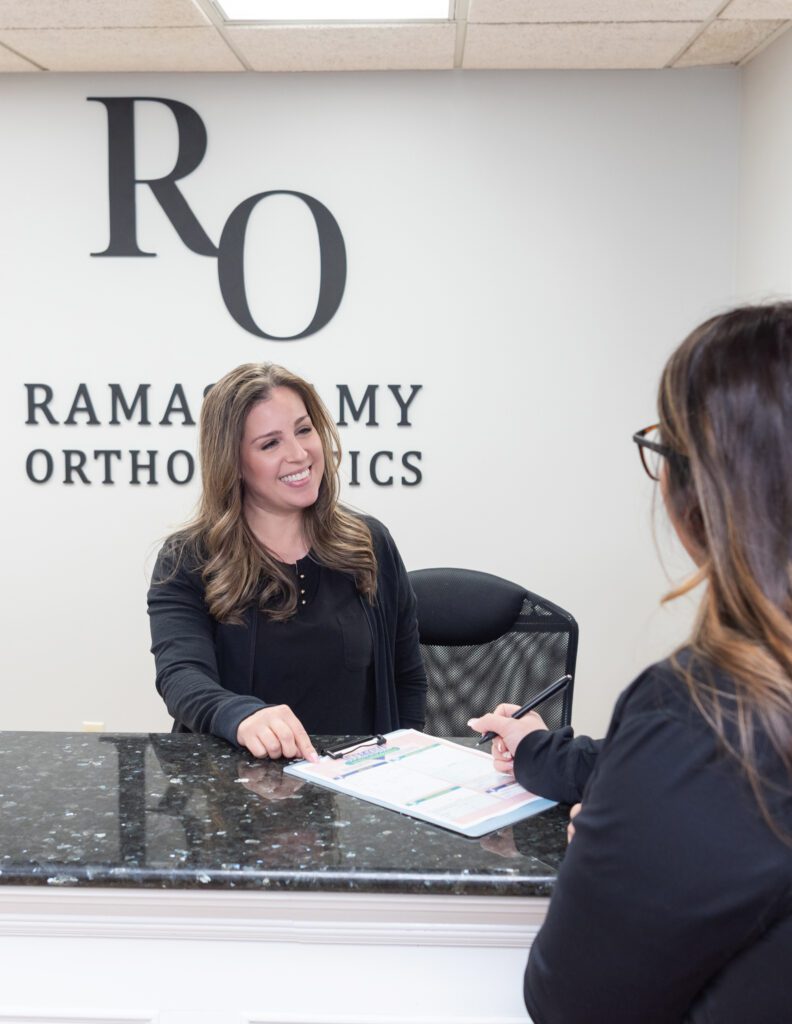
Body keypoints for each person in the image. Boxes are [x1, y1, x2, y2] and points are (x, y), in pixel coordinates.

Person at [469, 303, 792, 1023]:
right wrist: (541, 752)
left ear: (696, 492)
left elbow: (569, 1001)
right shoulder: (705, 729)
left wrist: (610, 854)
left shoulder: (700, 710)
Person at [148, 362, 426, 762]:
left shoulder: (370, 542)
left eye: (303, 430)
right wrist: (242, 716)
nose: (299, 455)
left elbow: (408, 680)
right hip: (235, 791)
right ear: (233, 463)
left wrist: (405, 764)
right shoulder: (188, 559)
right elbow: (181, 677)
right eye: (269, 444)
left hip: (357, 790)